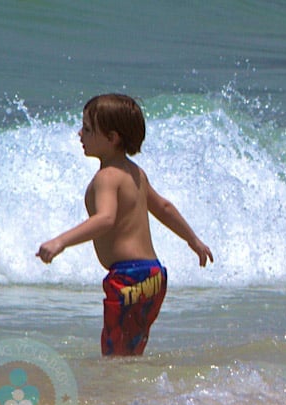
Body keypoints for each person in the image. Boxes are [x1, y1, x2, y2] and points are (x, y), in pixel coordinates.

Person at [37, 94, 213, 356]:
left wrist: (60, 241)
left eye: (87, 129)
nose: (79, 134)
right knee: (130, 352)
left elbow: (106, 218)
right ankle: (134, 395)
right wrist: (193, 240)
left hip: (128, 277)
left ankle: (119, 396)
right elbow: (163, 207)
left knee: (115, 355)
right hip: (154, 276)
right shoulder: (135, 172)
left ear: (112, 138)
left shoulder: (106, 177)